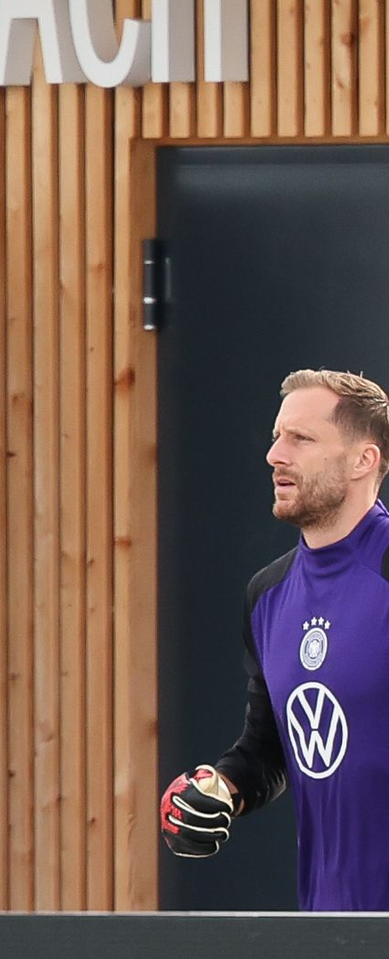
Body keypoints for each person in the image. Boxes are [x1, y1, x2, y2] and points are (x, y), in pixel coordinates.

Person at [161, 369, 389, 911]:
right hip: (327, 924)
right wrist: (221, 788)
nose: (274, 455)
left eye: (301, 439)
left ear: (363, 460)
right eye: (276, 436)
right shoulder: (267, 595)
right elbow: (269, 749)